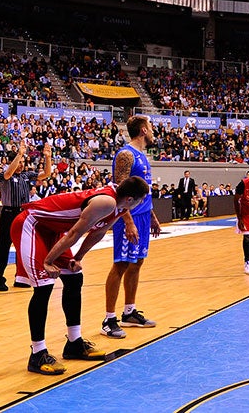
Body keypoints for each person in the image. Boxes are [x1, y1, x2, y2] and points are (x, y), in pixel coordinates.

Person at [12, 176, 150, 375]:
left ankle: (74, 343)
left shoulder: (120, 206)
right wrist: (49, 261)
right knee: (44, 286)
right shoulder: (107, 201)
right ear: (130, 198)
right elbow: (75, 233)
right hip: (32, 224)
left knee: (74, 277)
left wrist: (77, 258)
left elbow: (97, 233)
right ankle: (37, 353)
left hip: (53, 229)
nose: (142, 203)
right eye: (141, 199)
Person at [102, 116, 161, 340]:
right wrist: (127, 221)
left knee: (137, 263)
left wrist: (152, 215)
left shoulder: (143, 155)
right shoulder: (126, 154)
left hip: (144, 215)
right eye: (152, 128)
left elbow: (143, 193)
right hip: (130, 217)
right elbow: (118, 189)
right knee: (121, 264)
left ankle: (129, 312)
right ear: (144, 130)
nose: (154, 132)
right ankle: (108, 319)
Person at [0, 138, 52, 291]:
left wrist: (47, 157)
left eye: (22, 162)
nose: (21, 164)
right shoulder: (3, 175)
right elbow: (7, 174)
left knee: (23, 247)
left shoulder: (26, 176)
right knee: (4, 246)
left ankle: (21, 278)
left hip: (23, 214)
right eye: (18, 161)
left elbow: (46, 174)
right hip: (8, 213)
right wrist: (19, 154)